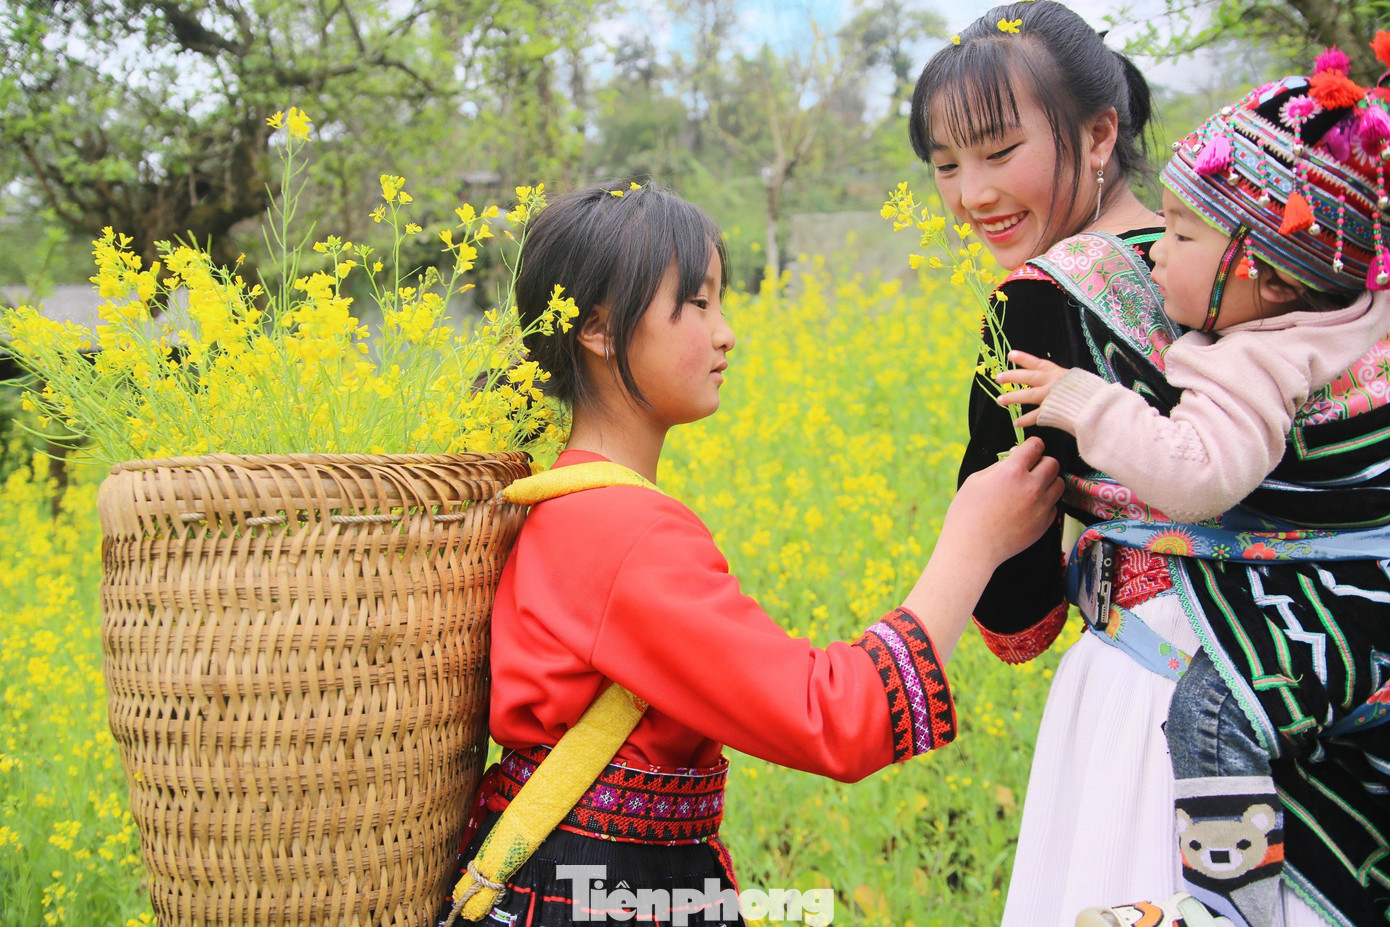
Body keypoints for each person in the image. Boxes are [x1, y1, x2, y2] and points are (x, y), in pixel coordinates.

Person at [438, 182, 1063, 926]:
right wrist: (974, 542)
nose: (726, 333)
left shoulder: (567, 504)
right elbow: (838, 718)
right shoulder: (618, 529)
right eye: (697, 304)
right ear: (599, 329)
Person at [911, 3, 1325, 924]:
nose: (972, 193)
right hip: (1320, 672)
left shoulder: (1035, 305)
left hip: (1156, 700)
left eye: (998, 151)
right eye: (946, 165)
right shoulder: (1273, 267)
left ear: (1101, 134)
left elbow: (1017, 613)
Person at [997, 53, 1390, 927]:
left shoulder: (1252, 358)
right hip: (1367, 605)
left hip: (1285, 630)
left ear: (1268, 276)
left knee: (1210, 715)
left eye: (1180, 238)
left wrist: (1087, 401)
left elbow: (1197, 477)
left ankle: (1227, 903)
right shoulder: (1361, 312)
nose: (1157, 256)